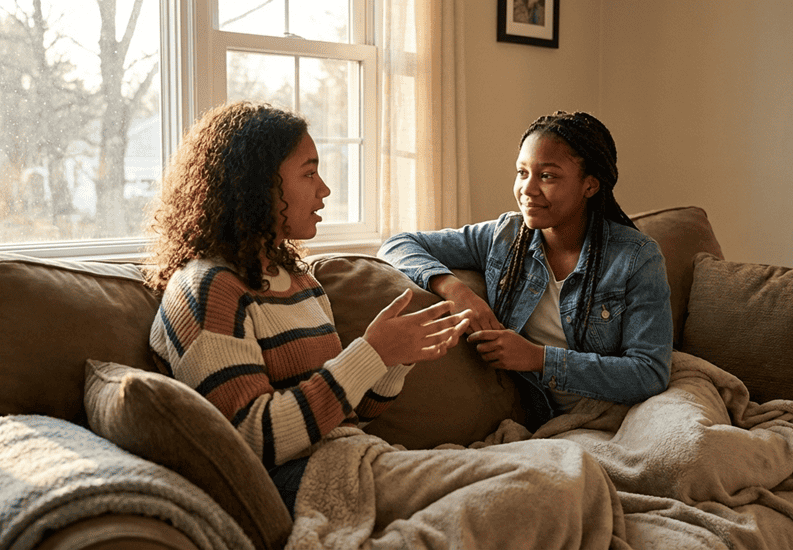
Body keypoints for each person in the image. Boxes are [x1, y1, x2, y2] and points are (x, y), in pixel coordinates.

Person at [144, 102, 621, 549]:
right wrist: (370, 354)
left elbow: (350, 414)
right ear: (256, 188)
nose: (325, 189)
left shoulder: (299, 282)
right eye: (309, 173)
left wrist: (394, 361)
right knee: (552, 486)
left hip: (359, 457)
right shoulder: (207, 288)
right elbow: (253, 441)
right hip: (310, 481)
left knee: (578, 468)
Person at [379, 111, 673, 431]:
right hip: (547, 420)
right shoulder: (505, 236)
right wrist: (456, 290)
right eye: (522, 172)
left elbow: (648, 375)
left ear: (590, 185)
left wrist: (538, 359)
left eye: (547, 176)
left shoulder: (637, 258)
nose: (527, 189)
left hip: (622, 414)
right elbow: (398, 244)